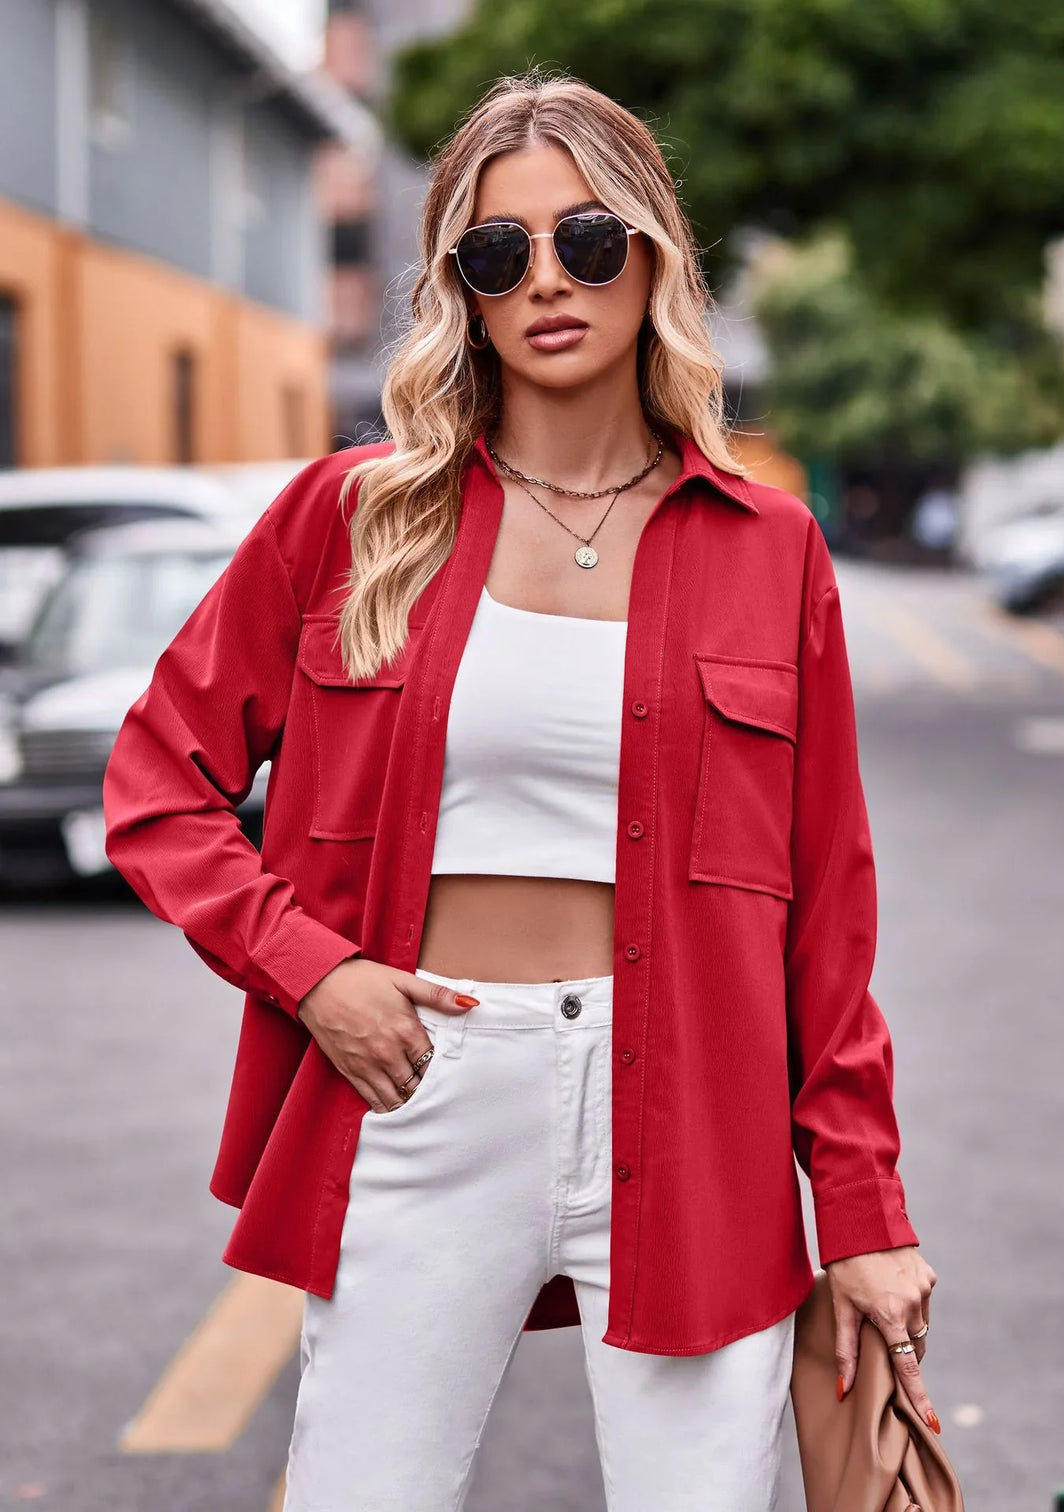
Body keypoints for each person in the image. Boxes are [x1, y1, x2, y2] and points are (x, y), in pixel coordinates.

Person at [102, 70, 939, 1512]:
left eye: (589, 240)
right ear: (462, 294)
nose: (548, 279)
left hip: (698, 1107)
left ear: (655, 257)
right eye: (499, 253)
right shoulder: (352, 521)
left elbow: (827, 916)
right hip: (419, 1079)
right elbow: (156, 785)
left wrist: (861, 1207)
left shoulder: (769, 547)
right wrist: (318, 976)